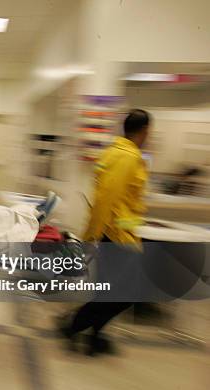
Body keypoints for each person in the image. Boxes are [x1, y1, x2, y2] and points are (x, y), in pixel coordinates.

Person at [61, 109, 151, 355]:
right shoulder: (127, 157)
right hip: (118, 237)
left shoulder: (115, 152)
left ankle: (93, 336)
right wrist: (92, 235)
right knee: (128, 293)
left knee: (108, 290)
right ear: (144, 131)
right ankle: (74, 325)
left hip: (117, 233)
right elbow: (106, 199)